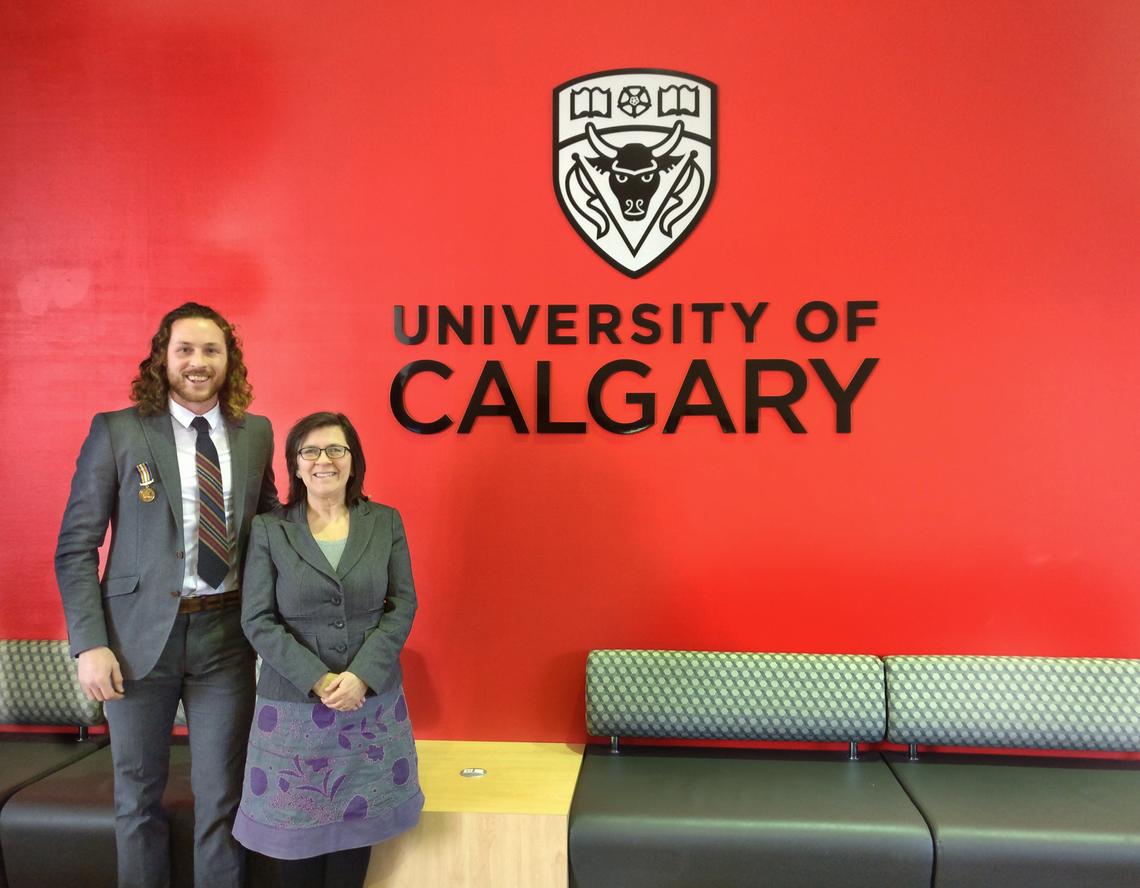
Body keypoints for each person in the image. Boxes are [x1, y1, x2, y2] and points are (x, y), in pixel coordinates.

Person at [55, 302, 278, 888]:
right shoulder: (118, 431)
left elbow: (273, 524)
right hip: (132, 645)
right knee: (137, 802)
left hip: (225, 641)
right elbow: (76, 547)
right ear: (162, 357)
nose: (198, 363)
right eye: (185, 350)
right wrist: (89, 646)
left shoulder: (256, 433)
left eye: (211, 351)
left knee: (224, 803)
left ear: (230, 360)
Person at [233, 411, 422, 887]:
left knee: (354, 839)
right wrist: (319, 679)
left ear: (353, 460)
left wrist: (361, 675)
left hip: (369, 705)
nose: (324, 460)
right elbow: (257, 619)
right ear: (295, 466)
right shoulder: (270, 529)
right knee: (297, 842)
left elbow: (402, 605)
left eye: (336, 449)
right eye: (311, 451)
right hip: (294, 710)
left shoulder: (385, 522)